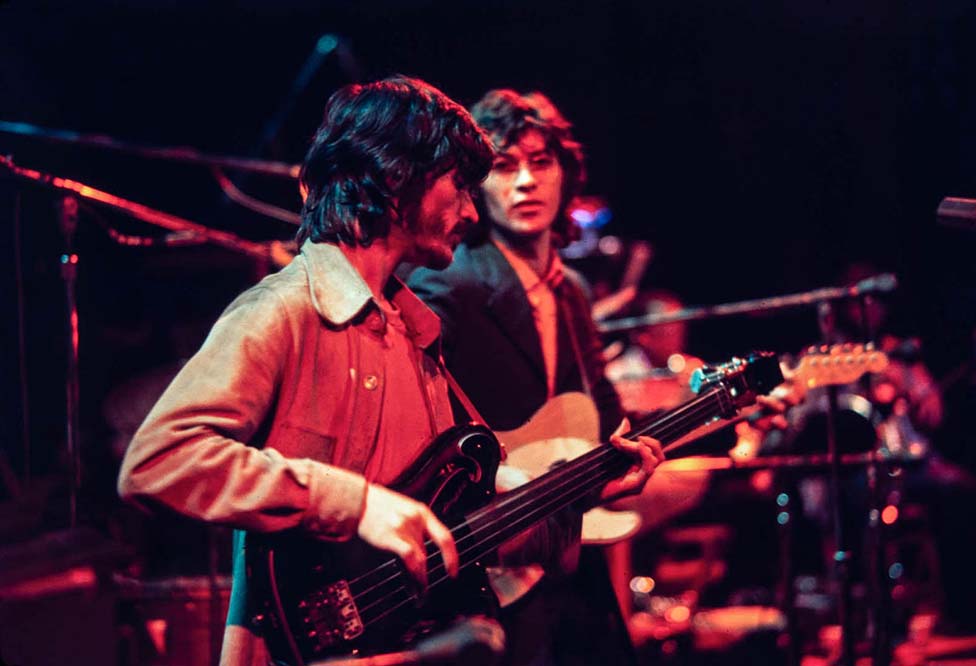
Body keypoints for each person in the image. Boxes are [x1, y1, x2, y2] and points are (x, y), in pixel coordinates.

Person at [117, 76, 663, 666]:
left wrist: (578, 493)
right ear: (399, 177)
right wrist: (353, 502)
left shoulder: (415, 336)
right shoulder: (286, 309)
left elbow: (449, 524)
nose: (469, 210)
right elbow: (157, 461)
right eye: (459, 185)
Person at [406, 89, 663, 666]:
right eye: (504, 166)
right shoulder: (449, 286)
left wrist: (716, 412)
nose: (525, 182)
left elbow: (602, 414)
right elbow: (421, 426)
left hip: (564, 543)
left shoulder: (571, 292)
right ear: (475, 185)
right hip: (489, 557)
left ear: (565, 175)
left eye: (540, 163)